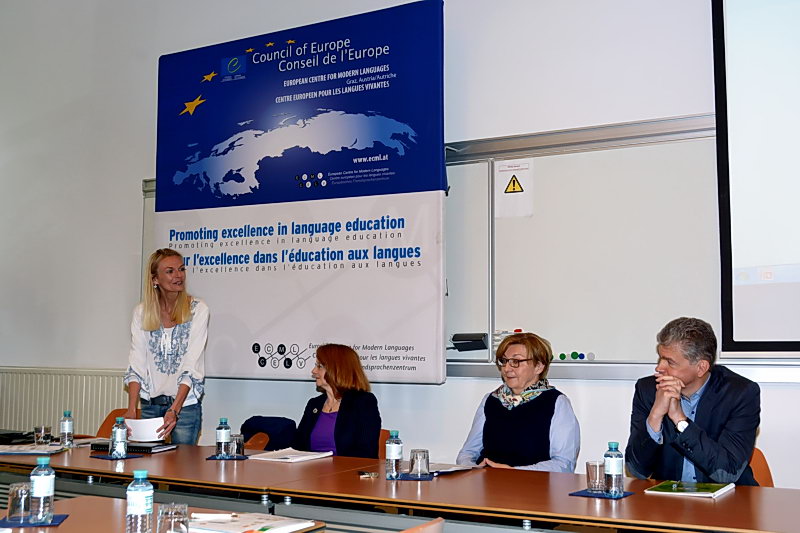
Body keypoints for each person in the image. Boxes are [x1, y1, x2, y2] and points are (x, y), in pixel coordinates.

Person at [625, 317, 760, 485]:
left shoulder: (740, 394)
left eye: (670, 362)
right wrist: (655, 415)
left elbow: (726, 473)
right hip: (669, 498)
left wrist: (680, 420)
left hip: (728, 498)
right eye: (660, 358)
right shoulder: (648, 390)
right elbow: (637, 470)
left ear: (701, 367)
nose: (659, 368)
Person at [456, 332, 580, 472]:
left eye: (516, 361)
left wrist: (513, 472)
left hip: (532, 484)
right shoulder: (491, 400)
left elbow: (564, 464)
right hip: (489, 482)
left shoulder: (556, 402)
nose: (506, 368)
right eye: (504, 361)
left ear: (539, 366)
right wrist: (473, 468)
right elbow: (467, 453)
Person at [123, 249, 209, 444]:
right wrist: (131, 409)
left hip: (185, 407)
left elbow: (192, 366)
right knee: (147, 461)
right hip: (150, 406)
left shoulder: (198, 309)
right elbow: (137, 363)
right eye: (170, 271)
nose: (178, 275)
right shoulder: (141, 313)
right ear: (155, 279)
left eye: (181, 269)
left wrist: (174, 410)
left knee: (183, 462)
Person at [293, 344, 381, 458]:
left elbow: (366, 452)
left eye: (320, 366)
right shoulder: (314, 404)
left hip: (347, 469)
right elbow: (298, 447)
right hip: (312, 468)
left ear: (337, 369)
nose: (314, 371)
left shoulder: (363, 402)